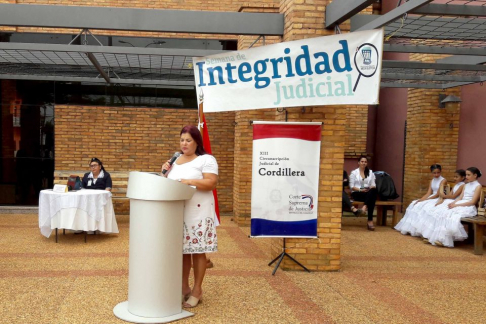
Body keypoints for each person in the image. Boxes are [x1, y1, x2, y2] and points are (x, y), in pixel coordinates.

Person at [161, 125, 218, 308]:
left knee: (197, 251)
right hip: (178, 212)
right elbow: (168, 185)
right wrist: (165, 172)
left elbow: (211, 183)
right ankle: (184, 287)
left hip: (198, 212)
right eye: (181, 140)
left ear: (196, 142)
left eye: (188, 140)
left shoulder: (206, 160)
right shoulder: (175, 161)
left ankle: (197, 290)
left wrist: (189, 182)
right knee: (183, 252)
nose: (184, 144)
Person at [422, 167, 482, 247]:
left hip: (468, 207)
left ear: (475, 175)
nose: (466, 177)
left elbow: (472, 202)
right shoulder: (466, 185)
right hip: (460, 203)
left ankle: (444, 239)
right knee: (441, 211)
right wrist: (453, 203)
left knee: (449, 214)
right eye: (466, 175)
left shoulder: (478, 186)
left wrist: (456, 205)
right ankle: (435, 236)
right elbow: (460, 198)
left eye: (468, 175)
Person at [394, 164, 446, 236]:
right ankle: (412, 228)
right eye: (434, 173)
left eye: (438, 172)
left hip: (437, 198)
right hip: (431, 196)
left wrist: (427, 200)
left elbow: (438, 193)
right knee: (415, 203)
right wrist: (421, 199)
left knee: (426, 207)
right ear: (431, 173)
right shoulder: (432, 181)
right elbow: (428, 192)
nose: (436, 174)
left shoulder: (443, 180)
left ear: (440, 172)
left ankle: (424, 230)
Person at [416, 169, 466, 239]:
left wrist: (443, 196)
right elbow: (450, 194)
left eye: (456, 177)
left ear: (463, 177)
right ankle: (431, 234)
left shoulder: (462, 185)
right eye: (454, 177)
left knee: (442, 213)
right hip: (450, 200)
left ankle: (441, 236)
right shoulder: (456, 185)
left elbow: (454, 196)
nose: (454, 178)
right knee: (434, 210)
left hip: (455, 201)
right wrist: (441, 201)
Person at [349, 156, 378, 230]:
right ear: (358, 163)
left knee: (373, 191)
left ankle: (364, 207)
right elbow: (351, 186)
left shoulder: (370, 172)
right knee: (372, 198)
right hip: (357, 193)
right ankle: (370, 221)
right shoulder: (354, 173)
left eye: (365, 162)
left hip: (368, 192)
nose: (364, 163)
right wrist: (360, 190)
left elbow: (373, 185)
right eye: (362, 161)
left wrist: (368, 188)